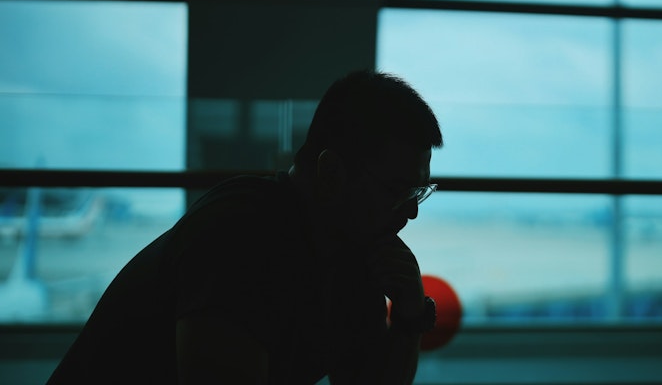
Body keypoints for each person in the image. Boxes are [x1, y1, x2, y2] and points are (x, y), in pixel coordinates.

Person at [46, 70, 444, 384]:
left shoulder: (352, 246)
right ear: (331, 174)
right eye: (397, 190)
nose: (411, 212)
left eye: (419, 191)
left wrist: (409, 313)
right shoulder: (241, 234)